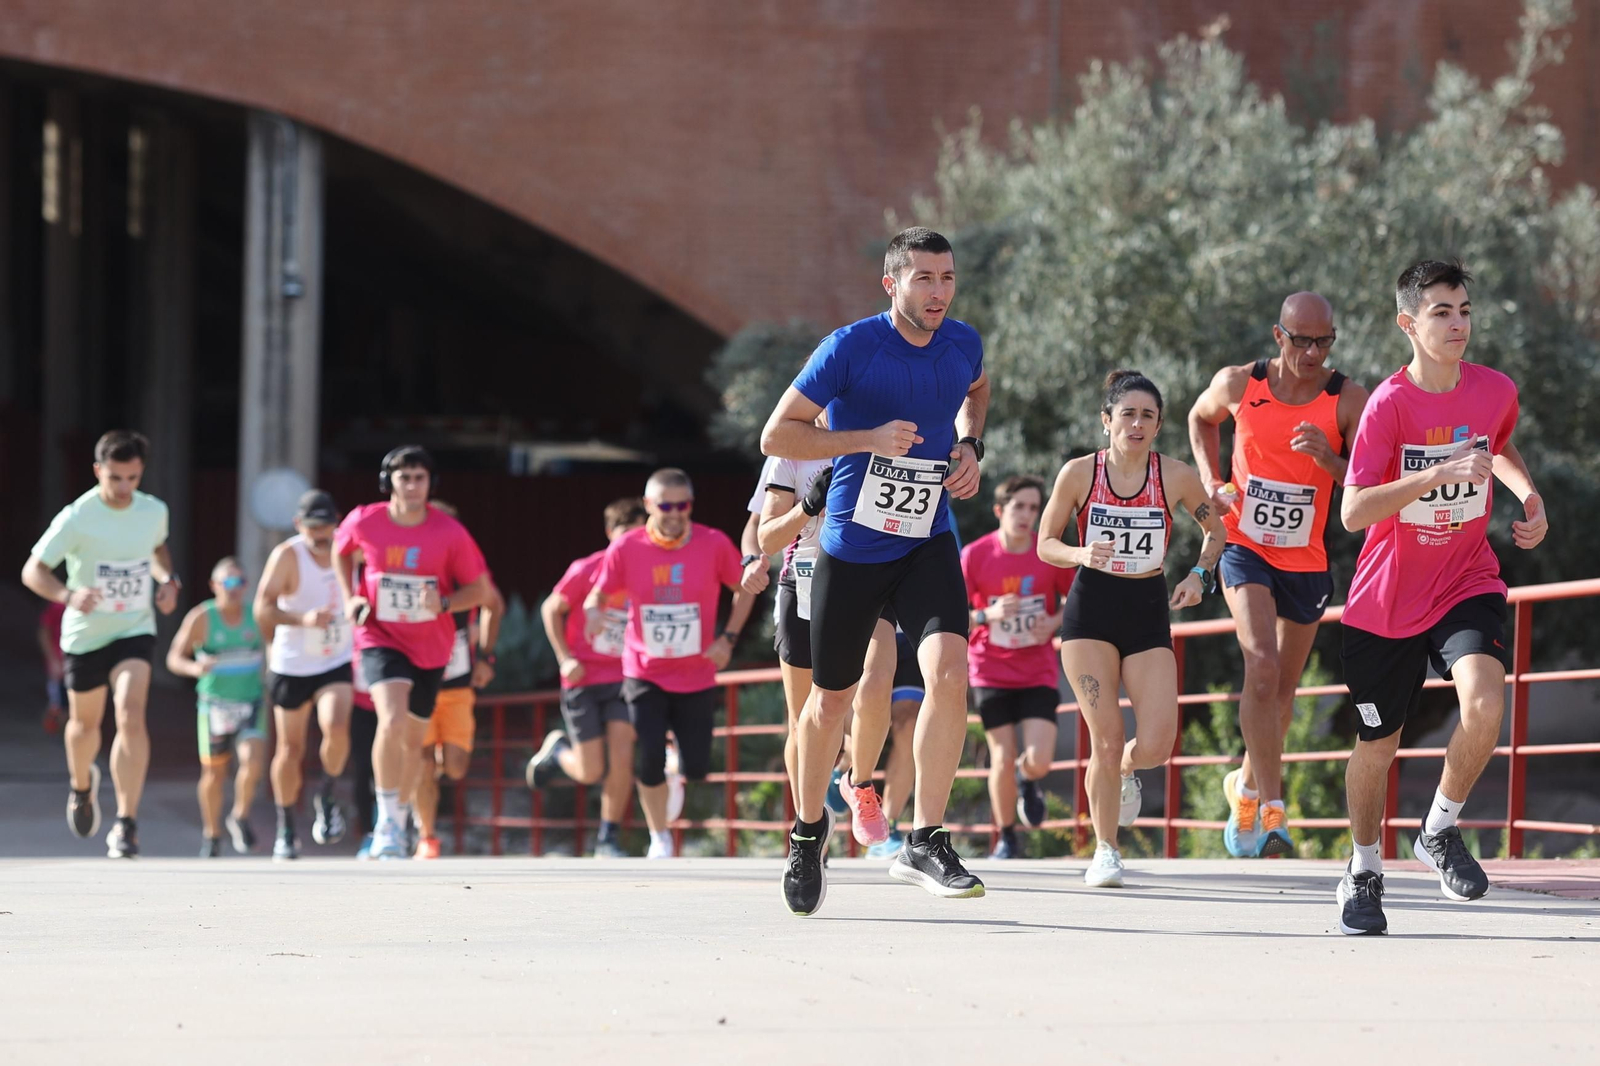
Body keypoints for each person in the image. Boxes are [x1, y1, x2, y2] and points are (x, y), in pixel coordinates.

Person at [761, 226, 989, 915]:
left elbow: (975, 389)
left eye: (947, 278)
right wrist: (865, 438)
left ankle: (926, 836)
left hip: (927, 538)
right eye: (924, 279)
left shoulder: (963, 342)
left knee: (951, 673)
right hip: (852, 549)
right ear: (891, 284)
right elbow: (777, 434)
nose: (939, 292)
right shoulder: (850, 347)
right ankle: (807, 834)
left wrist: (972, 443)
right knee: (829, 702)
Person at [1335, 260, 1546, 936]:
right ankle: (1364, 868)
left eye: (1463, 310)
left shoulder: (1494, 389)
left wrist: (1528, 497)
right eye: (1441, 313)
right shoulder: (1388, 406)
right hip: (1387, 599)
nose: (1458, 324)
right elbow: (1355, 511)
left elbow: (1501, 448)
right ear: (1409, 324)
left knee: (1485, 703)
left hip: (1466, 579)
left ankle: (1439, 829)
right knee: (1378, 746)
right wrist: (1435, 476)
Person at [1188, 292, 1370, 858]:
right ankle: (1271, 812)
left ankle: (1242, 784)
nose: (1313, 352)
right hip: (1243, 545)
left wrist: (1329, 461)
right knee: (1261, 670)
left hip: (1306, 559)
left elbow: (1370, 483)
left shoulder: (1348, 399)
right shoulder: (1241, 384)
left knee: (1282, 694)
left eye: (1324, 341)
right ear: (1278, 336)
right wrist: (1211, 482)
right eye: (1301, 340)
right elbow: (1199, 418)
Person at [1038, 370, 1227, 888]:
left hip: (1147, 608)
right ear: (1107, 421)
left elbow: (1217, 530)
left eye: (1148, 415)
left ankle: (1127, 768)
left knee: (1159, 743)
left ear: (1159, 424)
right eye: (1127, 414)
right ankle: (1105, 849)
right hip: (1090, 613)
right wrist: (1078, 552)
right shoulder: (1079, 474)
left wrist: (1198, 575)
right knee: (1104, 735)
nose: (1137, 424)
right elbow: (1045, 542)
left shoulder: (1176, 476)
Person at [574, 468, 754, 859]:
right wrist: (591, 612)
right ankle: (660, 838)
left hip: (696, 673)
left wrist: (728, 639)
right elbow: (597, 595)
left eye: (683, 505)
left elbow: (744, 589)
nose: (674, 513)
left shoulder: (713, 542)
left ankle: (679, 770)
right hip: (644, 671)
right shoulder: (627, 547)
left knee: (697, 768)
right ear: (648, 505)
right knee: (649, 755)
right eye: (665, 505)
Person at [22, 430, 181, 858]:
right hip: (86, 634)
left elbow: (157, 549)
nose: (124, 488)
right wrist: (68, 595)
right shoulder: (77, 517)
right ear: (98, 471)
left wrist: (168, 580)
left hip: (134, 627)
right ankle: (81, 785)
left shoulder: (153, 511)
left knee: (130, 713)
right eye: (115, 478)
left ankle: (127, 823)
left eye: (132, 478)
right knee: (84, 727)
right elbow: (33, 570)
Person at [334, 446, 494, 860]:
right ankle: (385, 820)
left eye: (419, 477)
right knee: (391, 717)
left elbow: (480, 592)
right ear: (389, 482)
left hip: (431, 646)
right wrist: (350, 596)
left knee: (413, 737)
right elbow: (340, 551)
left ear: (431, 484)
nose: (411, 485)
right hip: (379, 637)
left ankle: (400, 817)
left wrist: (442, 604)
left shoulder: (450, 533)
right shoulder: (364, 520)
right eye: (404, 477)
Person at [747, 440, 899, 850]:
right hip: (805, 583)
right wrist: (808, 506)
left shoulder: (878, 435)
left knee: (875, 680)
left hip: (867, 580)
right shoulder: (788, 451)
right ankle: (809, 826)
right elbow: (766, 537)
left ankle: (860, 783)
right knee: (804, 718)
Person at [526, 498, 647, 858]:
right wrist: (564, 658)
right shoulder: (588, 568)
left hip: (626, 677)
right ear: (610, 534)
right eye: (625, 535)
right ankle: (559, 750)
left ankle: (608, 839)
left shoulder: (648, 571)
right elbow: (552, 607)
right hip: (583, 677)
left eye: (639, 535)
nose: (630, 544)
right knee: (591, 770)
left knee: (623, 753)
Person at [962, 475, 1074, 859]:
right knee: (1001, 756)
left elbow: (1075, 596)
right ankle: (1007, 837)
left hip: (1036, 667)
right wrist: (987, 613)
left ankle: (1029, 780)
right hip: (989, 668)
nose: (1027, 515)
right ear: (999, 510)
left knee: (1039, 760)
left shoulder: (1048, 552)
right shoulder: (975, 555)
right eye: (1019, 507)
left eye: (1033, 508)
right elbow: (952, 615)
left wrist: (1054, 621)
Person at [255, 490, 355, 861]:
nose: (321, 535)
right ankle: (285, 826)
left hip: (335, 658)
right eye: (313, 528)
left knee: (336, 725)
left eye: (327, 526)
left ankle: (327, 793)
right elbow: (262, 608)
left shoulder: (349, 550)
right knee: (290, 748)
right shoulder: (287, 555)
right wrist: (301, 620)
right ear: (299, 525)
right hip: (293, 661)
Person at [414, 500, 504, 860]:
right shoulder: (409, 566)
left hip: (456, 683)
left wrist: (486, 656)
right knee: (421, 764)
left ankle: (423, 778)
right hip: (418, 683)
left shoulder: (465, 571)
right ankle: (427, 836)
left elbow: (493, 604)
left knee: (454, 767)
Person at [167, 558, 268, 856]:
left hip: (250, 703)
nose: (233, 590)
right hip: (215, 707)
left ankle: (239, 814)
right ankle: (212, 834)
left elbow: (275, 647)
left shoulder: (256, 617)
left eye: (239, 583)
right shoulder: (202, 618)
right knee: (214, 773)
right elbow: (174, 658)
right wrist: (196, 668)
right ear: (214, 586)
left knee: (252, 762)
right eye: (227, 583)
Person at [866, 630, 925, 859]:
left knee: (908, 724)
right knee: (858, 729)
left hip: (908, 630)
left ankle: (886, 828)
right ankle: (842, 776)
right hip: (865, 630)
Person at [38, 601, 67, 733]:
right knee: (56, 705)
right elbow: (43, 631)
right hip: (59, 664)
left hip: (79, 664)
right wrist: (53, 659)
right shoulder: (58, 606)